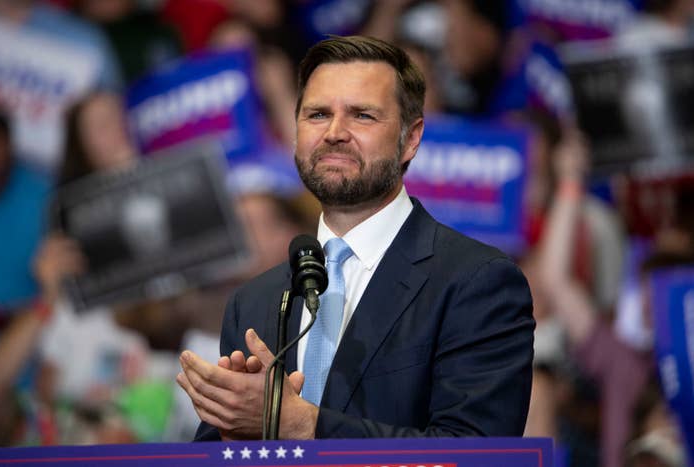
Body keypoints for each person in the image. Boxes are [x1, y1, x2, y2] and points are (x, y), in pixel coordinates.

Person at [177, 35, 535, 440]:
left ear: (411, 138)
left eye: (362, 115)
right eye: (316, 115)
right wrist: (235, 436)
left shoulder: (477, 282)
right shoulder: (252, 302)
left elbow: (476, 452)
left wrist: (302, 424)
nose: (334, 132)